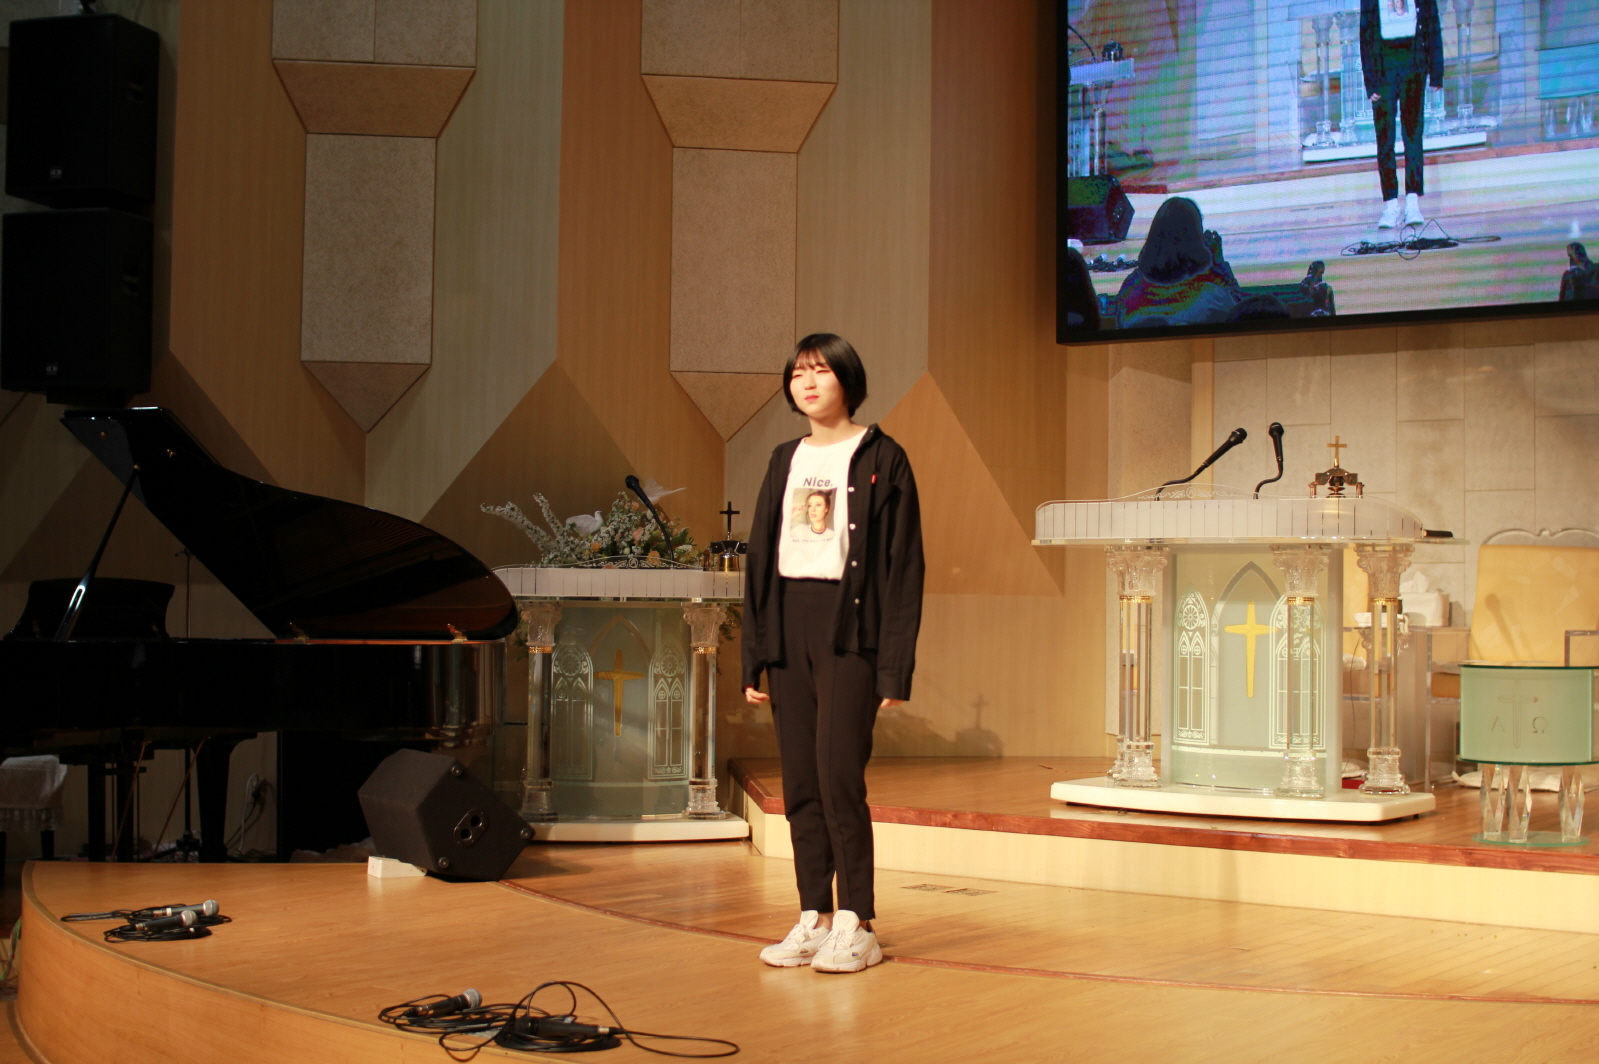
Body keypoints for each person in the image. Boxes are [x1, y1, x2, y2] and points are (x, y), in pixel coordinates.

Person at [743, 333, 924, 974]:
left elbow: (904, 568)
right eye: (798, 373)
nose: (808, 382)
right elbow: (761, 558)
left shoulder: (883, 456)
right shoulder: (783, 459)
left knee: (837, 775)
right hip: (789, 626)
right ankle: (814, 915)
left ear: (848, 379)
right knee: (799, 782)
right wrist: (756, 653)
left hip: (850, 630)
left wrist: (894, 666)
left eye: (821, 370)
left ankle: (858, 921)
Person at [1360, 0, 1443, 229]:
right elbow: (1365, 36)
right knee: (1385, 139)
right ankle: (1390, 204)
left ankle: (1413, 202)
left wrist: (1436, 73)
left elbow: (1432, 26)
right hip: (1383, 69)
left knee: (1413, 136)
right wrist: (1370, 82)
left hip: (1414, 66)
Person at [1115, 197, 1241, 328]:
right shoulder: (1211, 296)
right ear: (1196, 241)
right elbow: (1242, 313)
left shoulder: (1130, 289)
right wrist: (1219, 262)